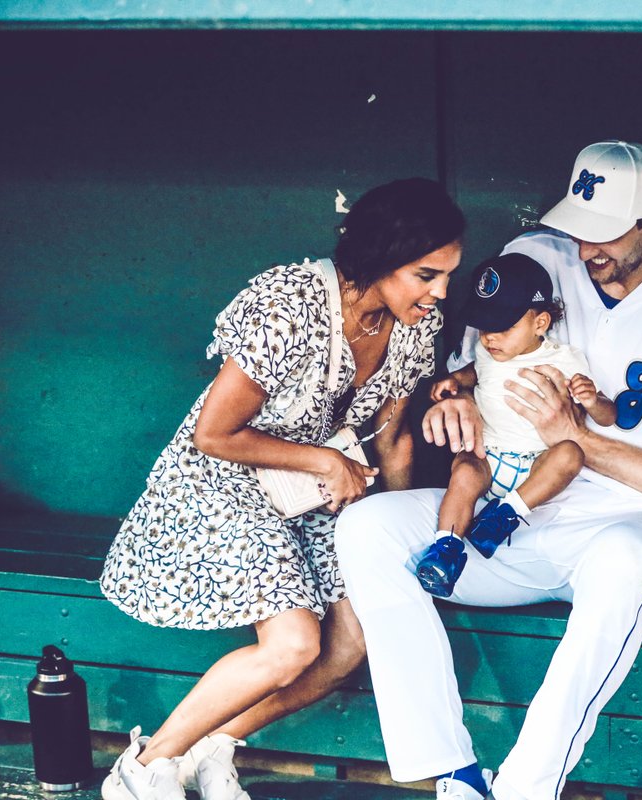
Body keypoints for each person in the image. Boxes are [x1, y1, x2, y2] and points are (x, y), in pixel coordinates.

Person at [336, 140, 642, 800]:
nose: (586, 247)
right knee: (370, 528)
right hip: (515, 513)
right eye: (578, 226)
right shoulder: (537, 258)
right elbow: (472, 376)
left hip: (638, 524)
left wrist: (579, 441)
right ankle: (453, 774)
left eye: (604, 234)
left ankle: (522, 790)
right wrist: (453, 407)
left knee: (624, 561)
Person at [98, 178, 465, 800]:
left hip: (312, 492)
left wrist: (396, 538)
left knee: (354, 640)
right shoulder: (290, 300)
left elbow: (393, 440)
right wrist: (324, 459)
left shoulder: (410, 327)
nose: (441, 292)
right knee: (294, 645)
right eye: (427, 274)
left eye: (448, 275)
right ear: (379, 256)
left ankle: (211, 748)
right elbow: (214, 434)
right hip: (222, 481)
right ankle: (144, 766)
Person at [415, 252, 615, 597]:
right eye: (484, 327)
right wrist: (456, 381)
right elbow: (477, 371)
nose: (490, 338)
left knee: (570, 454)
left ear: (540, 323)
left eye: (504, 327)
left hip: (536, 465)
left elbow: (607, 418)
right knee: (463, 469)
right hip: (489, 457)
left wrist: (593, 399)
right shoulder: (487, 351)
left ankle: (506, 514)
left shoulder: (563, 360)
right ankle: (445, 549)